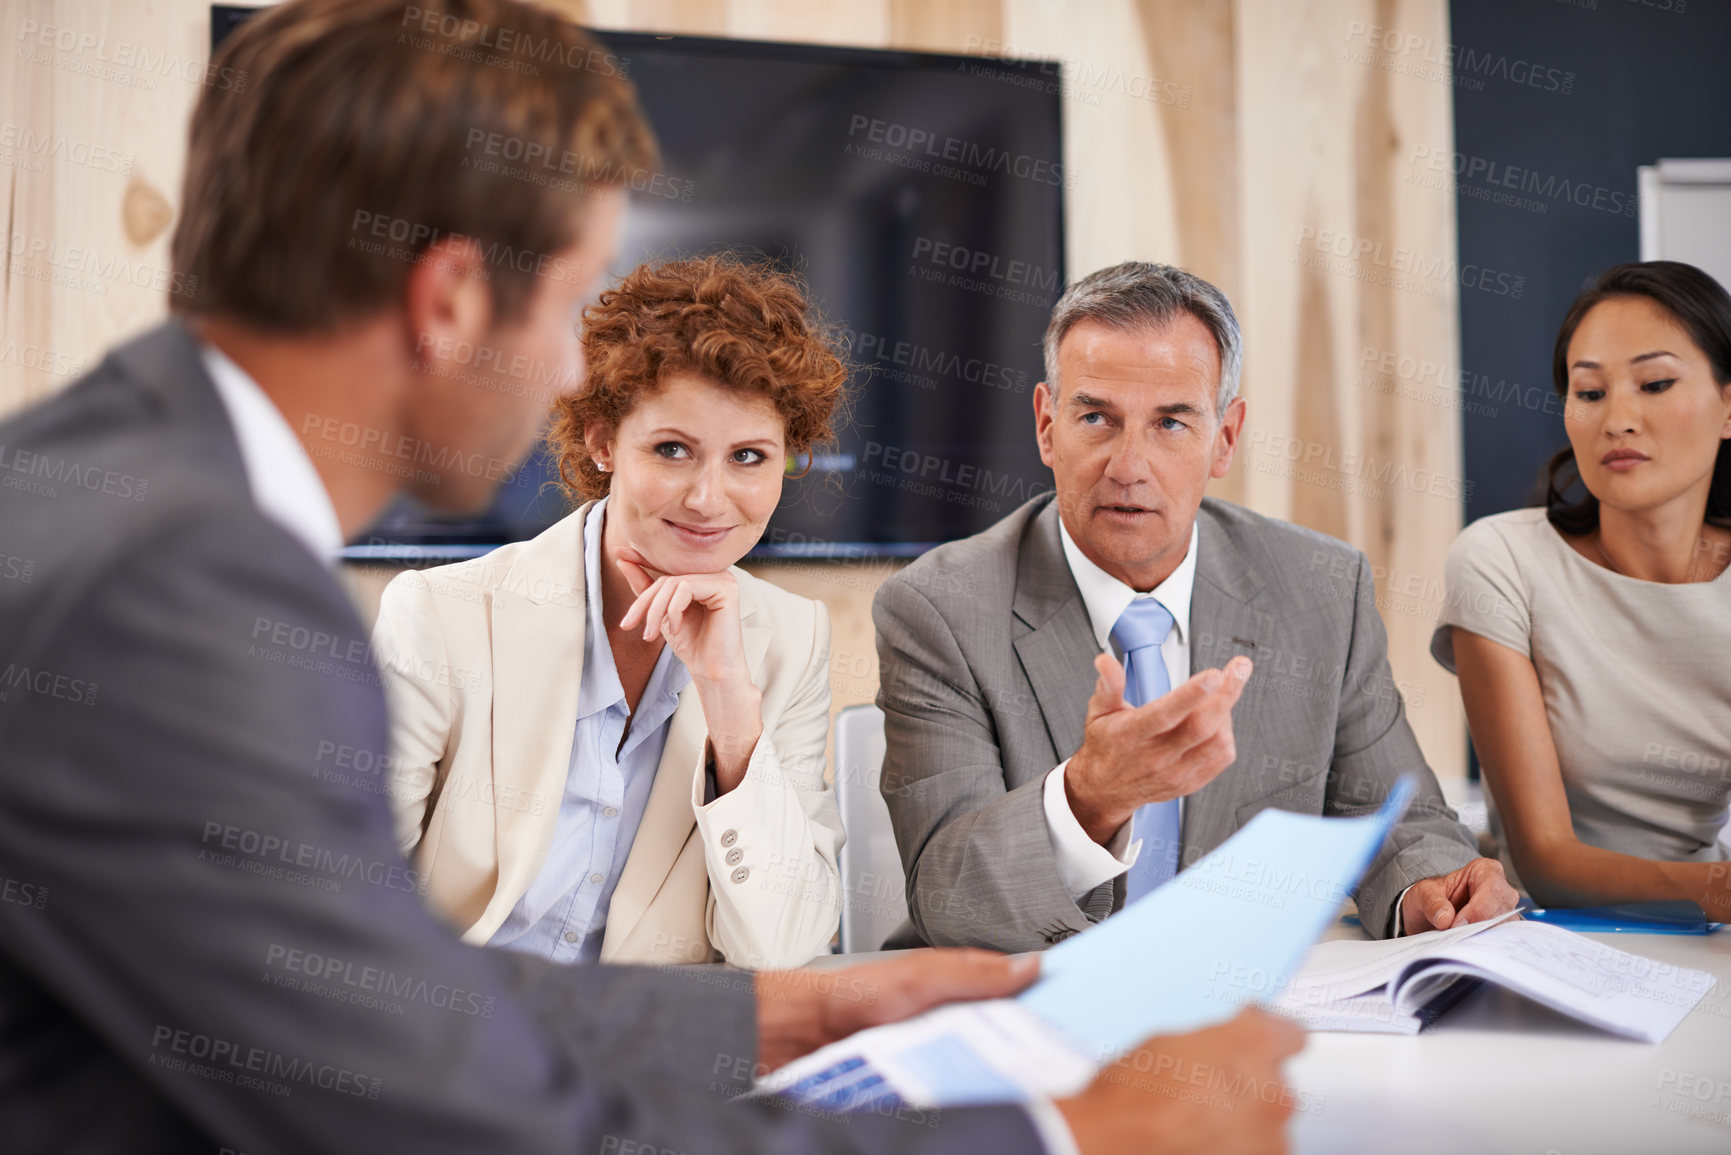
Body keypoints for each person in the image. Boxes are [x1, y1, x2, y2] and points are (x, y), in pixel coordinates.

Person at [0, 3, 1306, 1153]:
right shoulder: (179, 588)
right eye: (568, 313)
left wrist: (777, 1007)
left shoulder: (119, 498)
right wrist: (1059, 1131)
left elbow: (357, 990)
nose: (572, 377)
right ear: (452, 300)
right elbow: (423, 1100)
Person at [875, 260, 1519, 951]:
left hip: (1252, 1012)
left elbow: (1401, 823)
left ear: (1225, 439)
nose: (1128, 465)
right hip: (1028, 1012)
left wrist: (1430, 889)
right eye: (1095, 417)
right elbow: (945, 894)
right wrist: (1089, 795)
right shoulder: (937, 609)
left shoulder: (1321, 587)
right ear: (1045, 425)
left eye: (1171, 423)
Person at [373, 255, 846, 969]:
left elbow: (781, 948)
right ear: (602, 442)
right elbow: (343, 893)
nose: (709, 498)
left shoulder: (791, 642)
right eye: (671, 449)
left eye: (748, 457)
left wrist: (730, 710)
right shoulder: (441, 617)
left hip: (650, 1055)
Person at [1433, 261, 1731, 919]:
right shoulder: (1499, 560)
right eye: (1589, 392)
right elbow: (1546, 859)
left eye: (1654, 383)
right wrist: (1717, 891)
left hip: (1705, 937)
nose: (1617, 419)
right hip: (1536, 926)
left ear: (1727, 405)